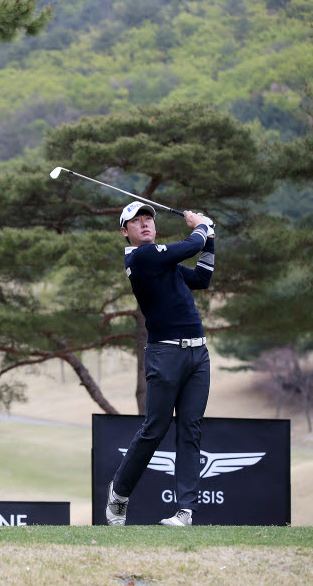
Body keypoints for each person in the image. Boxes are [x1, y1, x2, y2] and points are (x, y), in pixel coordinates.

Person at [105, 200, 215, 527]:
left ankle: (185, 512)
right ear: (125, 232)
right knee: (155, 428)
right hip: (165, 354)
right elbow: (192, 244)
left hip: (198, 353)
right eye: (136, 222)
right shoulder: (141, 258)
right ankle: (119, 494)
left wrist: (211, 239)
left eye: (148, 219)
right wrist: (202, 227)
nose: (145, 224)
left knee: (190, 431)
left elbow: (202, 277)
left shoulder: (163, 263)